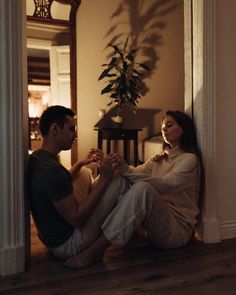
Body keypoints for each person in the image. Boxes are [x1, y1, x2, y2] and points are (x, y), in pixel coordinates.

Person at [65, 110, 203, 268]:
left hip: (177, 230)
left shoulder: (189, 159)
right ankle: (87, 232)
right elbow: (135, 172)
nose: (164, 129)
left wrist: (126, 171)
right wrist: (119, 165)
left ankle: (97, 249)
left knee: (143, 188)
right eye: (163, 126)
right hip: (155, 225)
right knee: (118, 178)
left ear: (183, 129)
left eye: (169, 125)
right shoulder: (160, 157)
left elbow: (166, 185)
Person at [28, 105, 130, 260]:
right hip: (67, 245)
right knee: (119, 180)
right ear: (55, 129)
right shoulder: (51, 170)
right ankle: (104, 243)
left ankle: (118, 226)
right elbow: (77, 218)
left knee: (83, 172)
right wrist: (105, 177)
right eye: (71, 129)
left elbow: (60, 184)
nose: (74, 135)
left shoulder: (39, 158)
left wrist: (81, 163)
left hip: (52, 239)